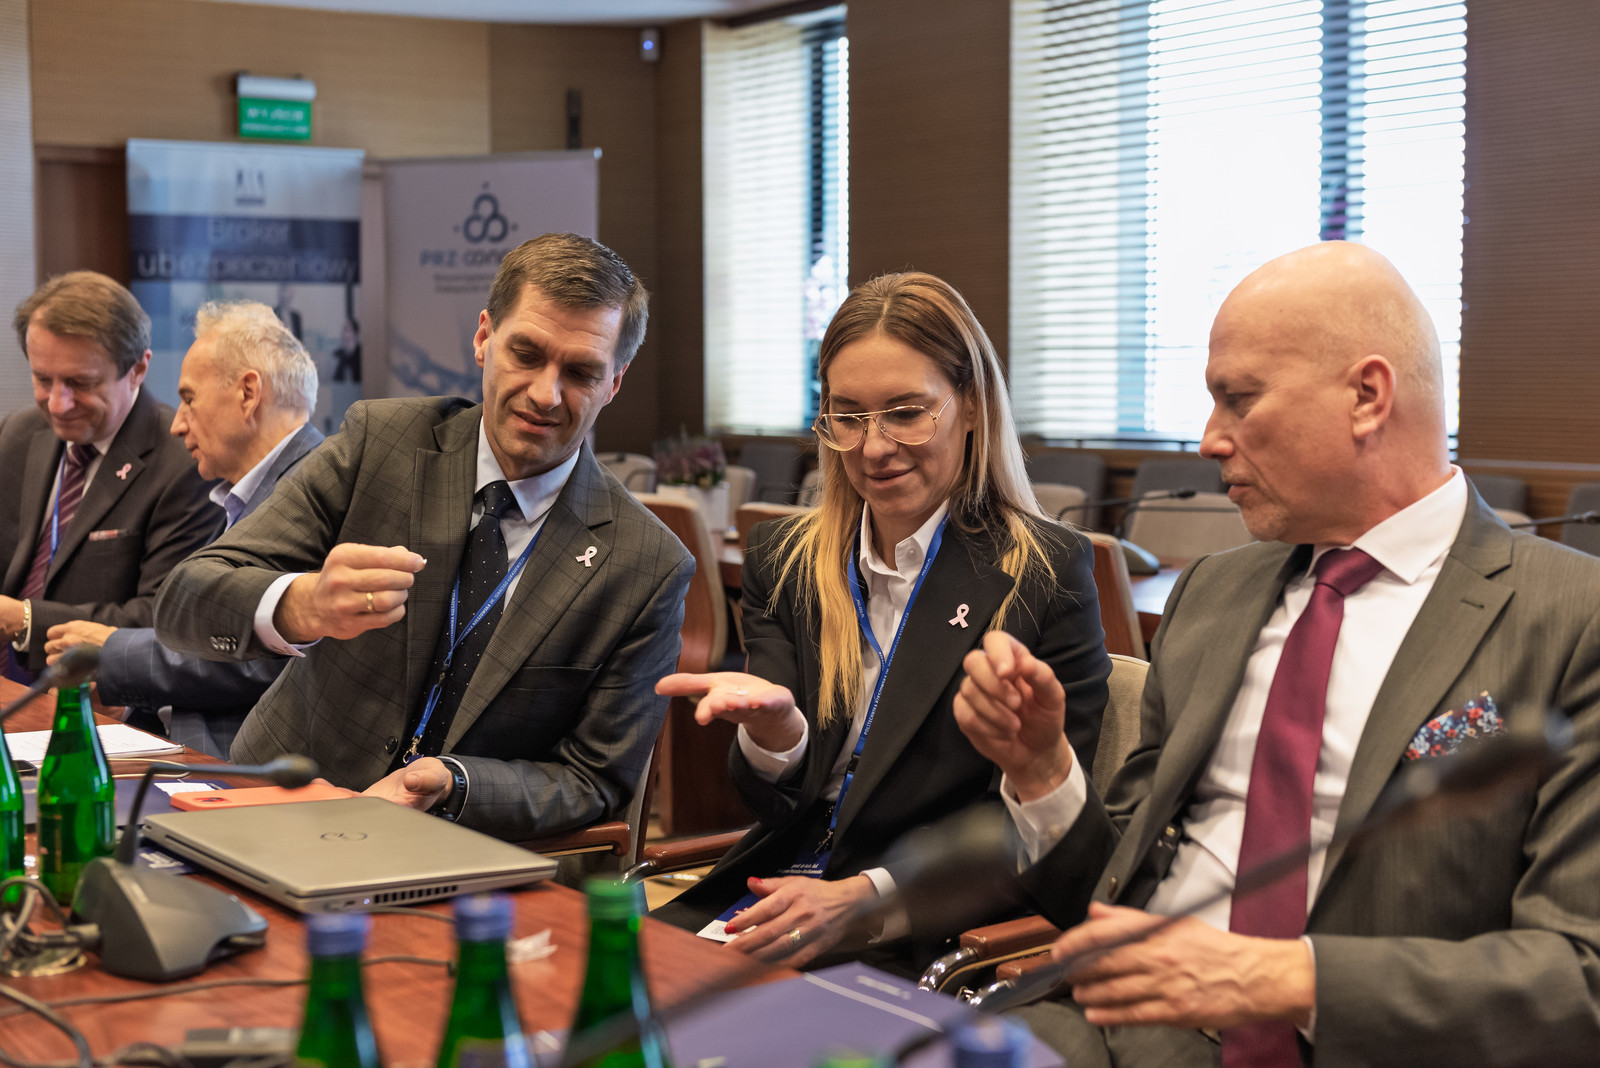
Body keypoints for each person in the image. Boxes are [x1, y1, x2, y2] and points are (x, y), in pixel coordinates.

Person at [958, 242, 1600, 1066]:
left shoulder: (1570, 619)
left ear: (1367, 397)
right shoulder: (1213, 595)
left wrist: (1288, 979)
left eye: (1239, 400)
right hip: (1113, 1027)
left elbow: (1578, 978)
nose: (1208, 440)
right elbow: (1110, 895)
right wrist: (1044, 770)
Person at [153, 233, 694, 839]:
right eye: (526, 354)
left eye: (581, 372)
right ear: (484, 338)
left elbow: (595, 780)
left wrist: (454, 782)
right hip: (287, 804)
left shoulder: (645, 563)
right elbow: (186, 598)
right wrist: (302, 605)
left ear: (614, 383)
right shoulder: (381, 443)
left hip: (460, 851)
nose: (546, 394)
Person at [654, 271, 1111, 968]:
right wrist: (779, 740)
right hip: (773, 889)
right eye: (849, 416)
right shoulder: (787, 559)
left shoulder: (1044, 574)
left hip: (922, 925)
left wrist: (866, 897)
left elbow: (1037, 822)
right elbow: (774, 805)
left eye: (905, 412)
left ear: (971, 407)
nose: (873, 448)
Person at [43, 301, 324, 758]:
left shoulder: (314, 491)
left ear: (248, 393)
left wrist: (112, 651)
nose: (177, 424)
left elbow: (263, 659)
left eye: (189, 399)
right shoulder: (252, 496)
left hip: (237, 771)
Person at [0, 271, 221, 678]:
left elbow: (162, 615)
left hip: (89, 692)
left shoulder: (186, 463)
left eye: (80, 383)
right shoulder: (18, 434)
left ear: (138, 369)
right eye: (43, 379)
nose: (58, 404)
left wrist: (26, 620)